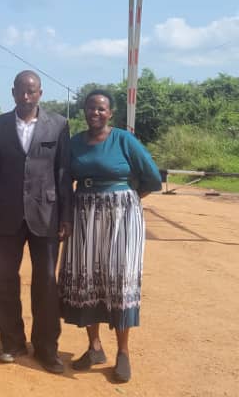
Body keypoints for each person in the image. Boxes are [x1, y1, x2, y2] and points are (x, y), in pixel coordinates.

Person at [60, 90, 161, 383]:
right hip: (84, 215)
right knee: (86, 277)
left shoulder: (124, 140)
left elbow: (152, 177)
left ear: (111, 113)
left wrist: (126, 199)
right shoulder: (75, 143)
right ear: (84, 111)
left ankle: (123, 353)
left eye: (101, 109)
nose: (95, 113)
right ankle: (94, 348)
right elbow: (66, 180)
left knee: (119, 278)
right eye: (91, 108)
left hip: (122, 217)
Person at [0, 71, 71, 373]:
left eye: (32, 92)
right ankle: (12, 342)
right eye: (21, 91)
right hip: (6, 215)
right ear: (13, 92)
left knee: (45, 283)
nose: (26, 97)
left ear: (40, 93)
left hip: (46, 216)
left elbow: (63, 174)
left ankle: (46, 348)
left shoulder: (58, 125)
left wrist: (66, 217)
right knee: (3, 281)